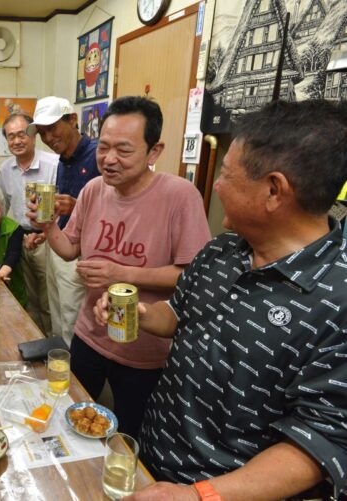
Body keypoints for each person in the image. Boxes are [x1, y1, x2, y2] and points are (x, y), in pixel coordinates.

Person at [95, 99, 347, 501]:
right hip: (153, 463)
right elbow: (177, 315)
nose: (215, 185)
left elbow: (320, 442)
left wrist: (200, 495)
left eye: (226, 174)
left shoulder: (337, 297)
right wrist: (140, 315)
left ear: (273, 190)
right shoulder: (222, 250)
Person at [29, 96, 210, 438]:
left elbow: (192, 277)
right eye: (104, 147)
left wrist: (120, 273)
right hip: (89, 335)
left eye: (123, 150)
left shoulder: (181, 197)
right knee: (72, 417)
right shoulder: (94, 190)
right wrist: (48, 226)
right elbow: (69, 250)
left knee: (129, 435)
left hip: (145, 348)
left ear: (154, 152)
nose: (109, 160)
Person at [28, 96, 100, 345]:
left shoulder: (97, 155)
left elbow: (118, 210)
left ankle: (74, 377)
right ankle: (60, 366)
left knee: (72, 318)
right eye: (42, 133)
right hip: (58, 246)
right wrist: (45, 231)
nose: (47, 138)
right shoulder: (63, 161)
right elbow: (64, 213)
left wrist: (78, 205)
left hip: (80, 254)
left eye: (52, 128)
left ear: (72, 120)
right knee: (57, 312)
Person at [0, 112, 58, 334]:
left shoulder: (53, 164)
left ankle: (53, 346)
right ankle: (35, 343)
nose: (16, 141)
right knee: (29, 298)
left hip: (50, 240)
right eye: (11, 137)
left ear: (33, 136)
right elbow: (1, 207)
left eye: (21, 134)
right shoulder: (5, 169)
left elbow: (64, 209)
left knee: (49, 300)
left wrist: (43, 234)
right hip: (22, 239)